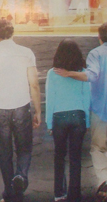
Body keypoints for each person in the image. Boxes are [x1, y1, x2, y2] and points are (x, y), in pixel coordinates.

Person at [0, 19, 41, 202]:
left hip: (0, 109)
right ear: (13, 33)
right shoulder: (26, 53)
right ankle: (21, 176)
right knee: (24, 148)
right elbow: (34, 84)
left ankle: (9, 192)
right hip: (22, 107)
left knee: (4, 152)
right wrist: (38, 110)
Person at [54, 21, 107, 202]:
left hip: (101, 109)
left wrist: (69, 73)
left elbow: (91, 77)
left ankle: (104, 181)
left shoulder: (96, 53)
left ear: (100, 37)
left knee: (98, 148)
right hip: (93, 112)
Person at [46, 39, 90, 202]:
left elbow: (50, 99)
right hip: (78, 116)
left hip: (59, 117)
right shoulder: (82, 72)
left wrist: (49, 123)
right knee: (76, 157)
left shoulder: (52, 73)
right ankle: (74, 194)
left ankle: (59, 193)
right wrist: (87, 122)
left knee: (59, 156)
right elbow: (87, 97)